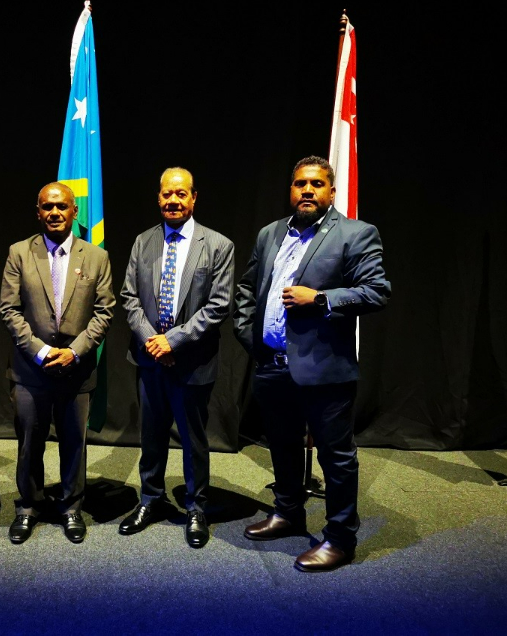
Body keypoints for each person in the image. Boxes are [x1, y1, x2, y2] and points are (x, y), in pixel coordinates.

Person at [233, 156, 391, 572]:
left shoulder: (356, 234)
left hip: (324, 369)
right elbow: (248, 288)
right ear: (290, 190)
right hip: (271, 364)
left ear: (331, 192)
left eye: (317, 184)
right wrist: (250, 336)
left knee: (336, 457)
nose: (307, 190)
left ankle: (339, 538)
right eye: (300, 183)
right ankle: (288, 513)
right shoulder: (270, 234)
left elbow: (376, 292)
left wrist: (320, 299)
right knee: (282, 447)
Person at [119, 167, 234, 548]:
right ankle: (149, 500)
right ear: (158, 197)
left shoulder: (218, 245)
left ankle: (196, 507)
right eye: (167, 194)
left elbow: (218, 306)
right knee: (150, 438)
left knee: (193, 440)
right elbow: (129, 298)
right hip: (150, 360)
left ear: (194, 198)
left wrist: (174, 341)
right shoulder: (143, 242)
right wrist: (154, 341)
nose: (173, 200)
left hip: (193, 362)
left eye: (181, 194)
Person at [0, 182, 114, 544]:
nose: (55, 213)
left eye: (62, 207)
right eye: (47, 207)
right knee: (30, 442)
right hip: (31, 369)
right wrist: (40, 350)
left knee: (73, 442)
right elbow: (9, 308)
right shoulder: (19, 252)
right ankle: (28, 507)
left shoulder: (96, 256)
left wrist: (76, 350)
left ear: (74, 211)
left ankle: (70, 507)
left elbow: (105, 311)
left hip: (76, 369)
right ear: (38, 212)